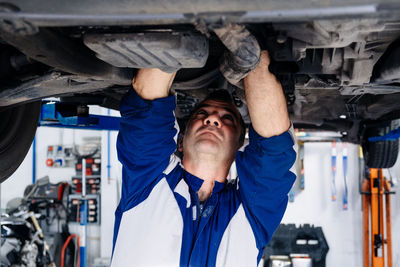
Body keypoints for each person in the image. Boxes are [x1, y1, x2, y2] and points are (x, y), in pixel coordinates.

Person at [111, 51, 297, 266]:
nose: (212, 118)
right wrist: (251, 56)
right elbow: (274, 149)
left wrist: (179, 39)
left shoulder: (146, 182)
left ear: (239, 147)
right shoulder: (251, 216)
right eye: (201, 115)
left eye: (227, 119)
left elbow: (146, 106)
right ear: (181, 140)